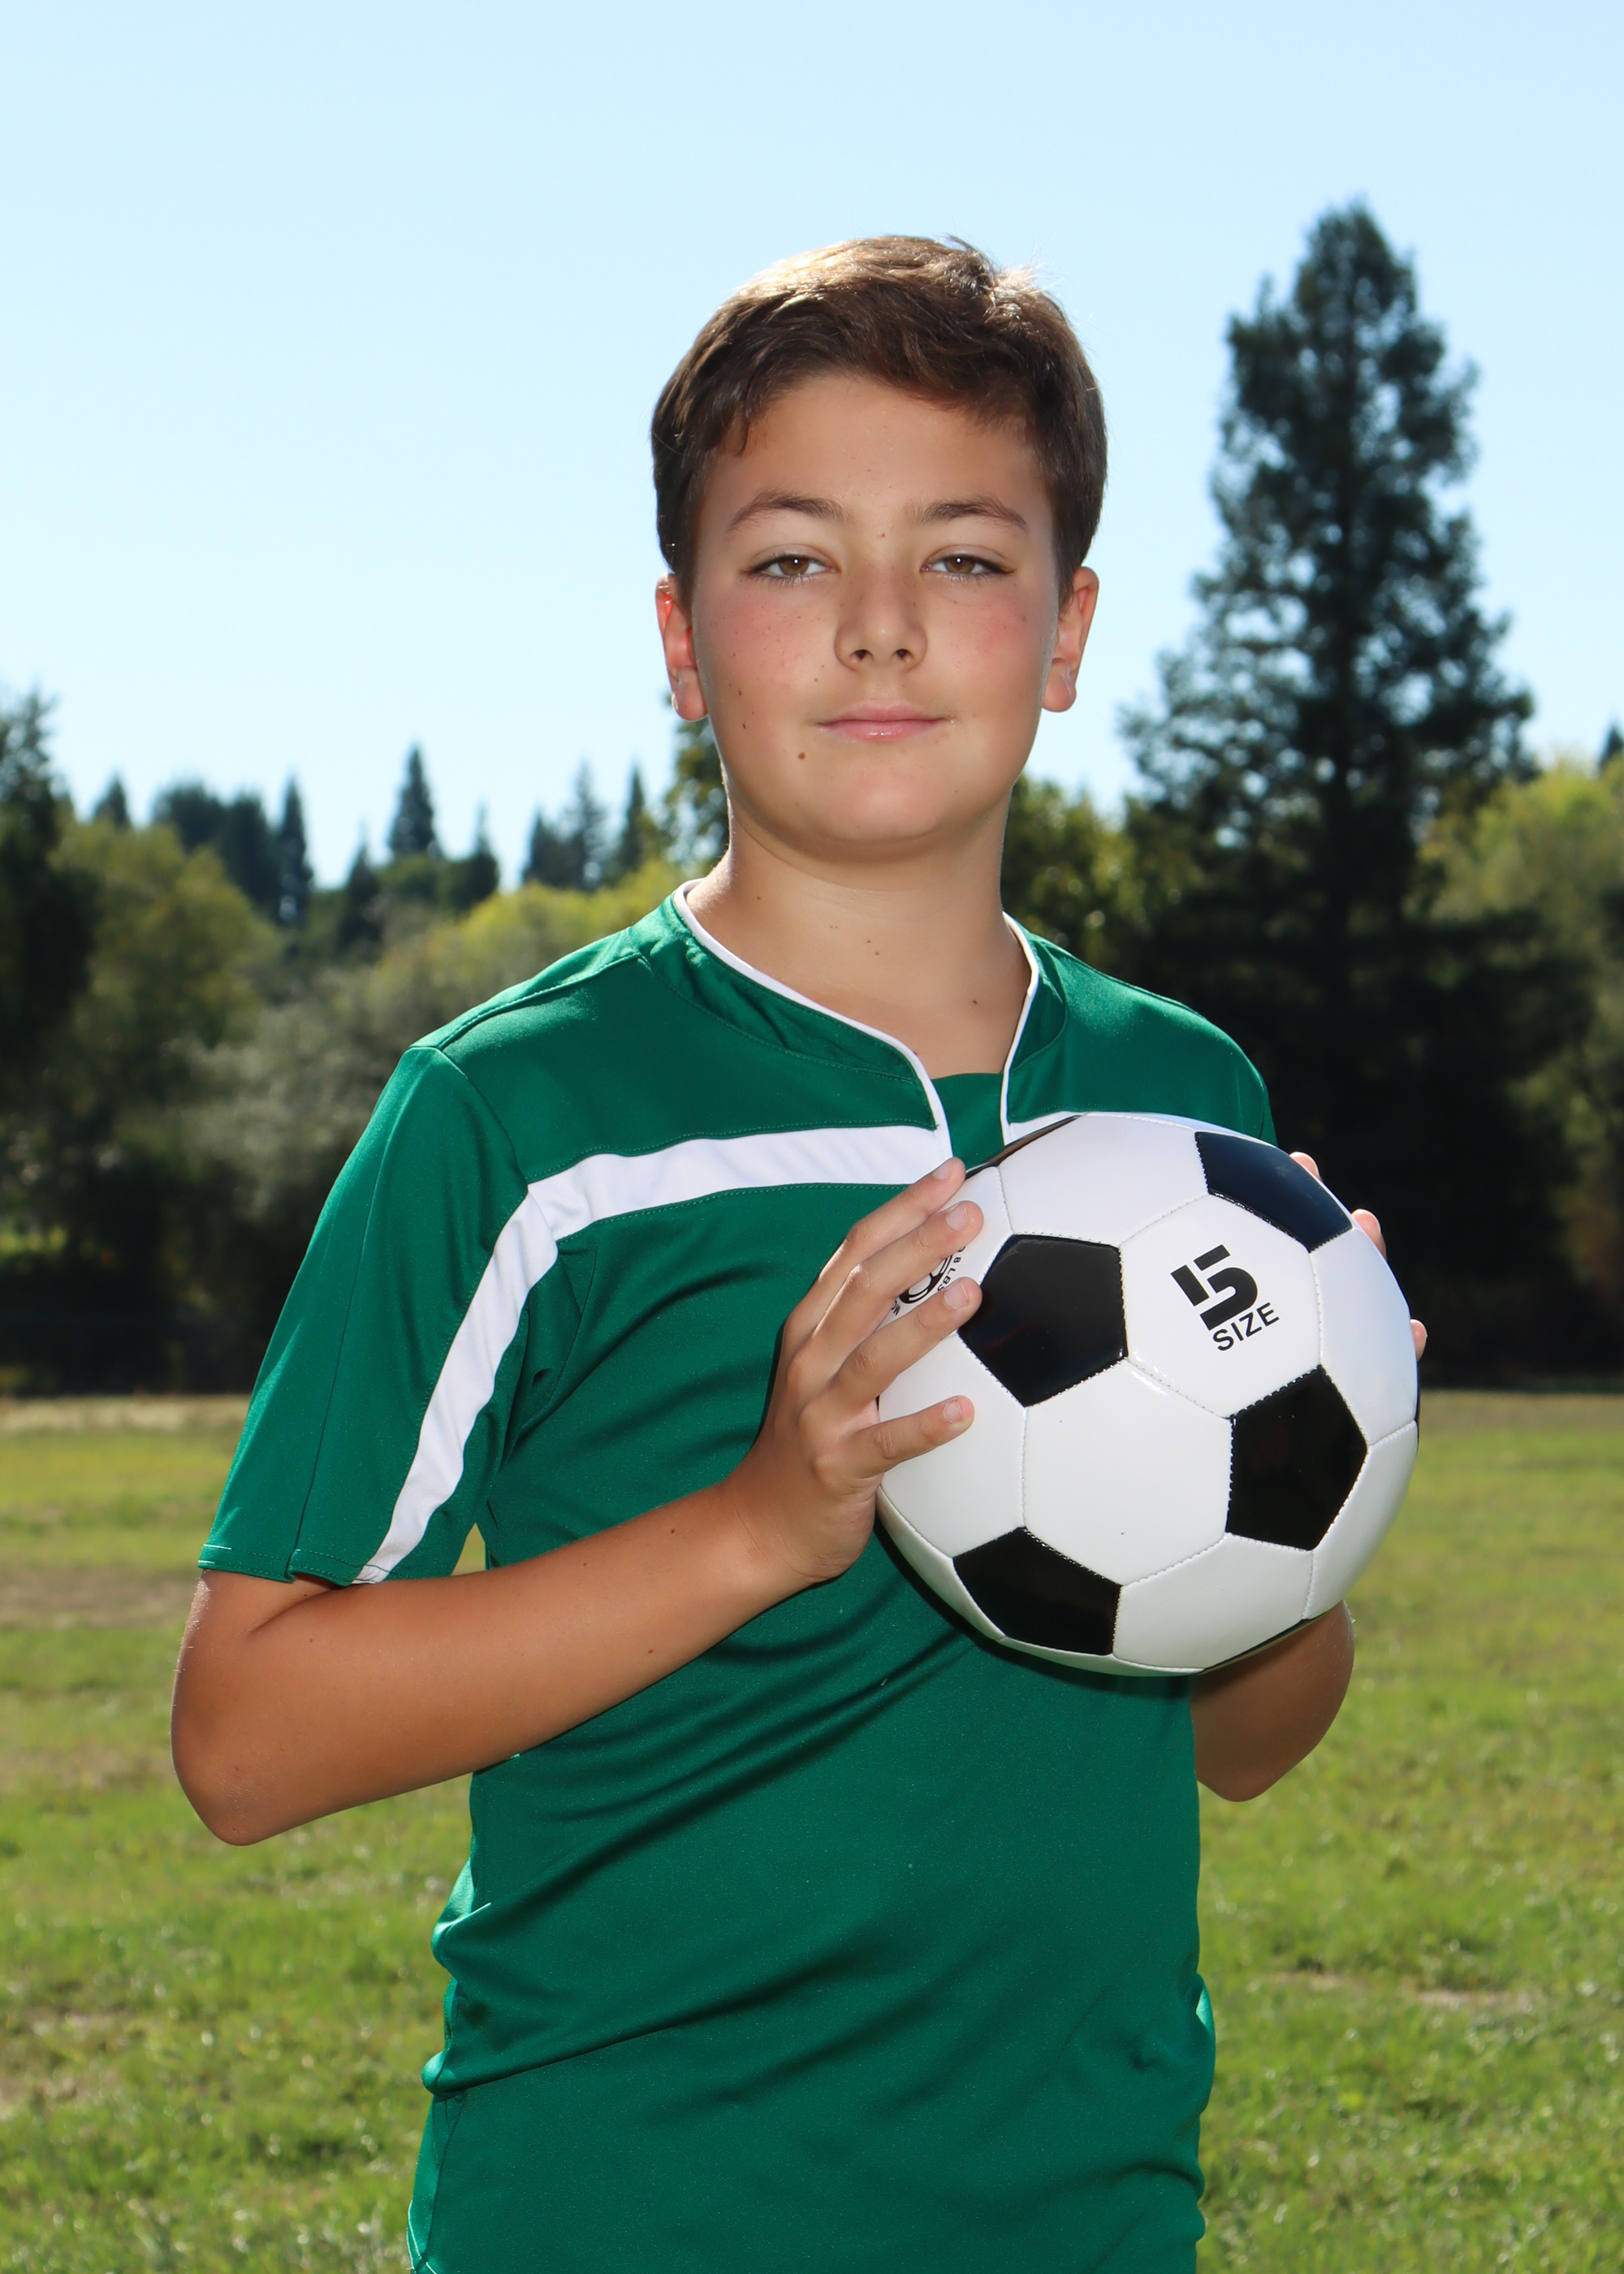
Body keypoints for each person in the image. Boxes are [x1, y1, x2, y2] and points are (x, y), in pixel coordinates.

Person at [172, 238, 1423, 2273]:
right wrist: (758, 1524)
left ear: (1067, 628)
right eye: (789, 558)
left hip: (1084, 2208)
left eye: (962, 556)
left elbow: (1243, 1738)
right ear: (682, 641)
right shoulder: (517, 1113)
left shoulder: (1178, 1102)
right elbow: (245, 1736)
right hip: (626, 2206)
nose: (877, 625)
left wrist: (1315, 1468)